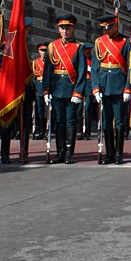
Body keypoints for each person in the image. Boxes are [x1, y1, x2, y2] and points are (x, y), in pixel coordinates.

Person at [42, 14, 86, 164]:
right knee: (59, 122)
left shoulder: (79, 47)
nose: (65, 31)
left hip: (71, 88)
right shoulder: (52, 46)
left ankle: (69, 153)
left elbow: (81, 71)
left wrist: (78, 91)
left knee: (70, 122)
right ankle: (59, 152)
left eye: (68, 27)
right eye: (62, 28)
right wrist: (46, 90)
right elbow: (47, 70)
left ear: (73, 28)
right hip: (56, 89)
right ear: (58, 29)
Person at [90, 14, 131, 165]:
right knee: (106, 122)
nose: (106, 31)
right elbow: (95, 67)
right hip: (104, 86)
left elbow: (130, 67)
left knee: (120, 122)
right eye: (104, 28)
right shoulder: (99, 42)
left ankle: (119, 153)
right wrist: (95, 88)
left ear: (116, 26)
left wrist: (128, 88)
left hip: (119, 86)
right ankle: (109, 153)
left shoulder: (125, 42)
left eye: (109, 27)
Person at [0, 17, 35, 164]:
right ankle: (4, 154)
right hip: (10, 90)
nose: (26, 32)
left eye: (27, 30)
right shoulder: (7, 45)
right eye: (25, 29)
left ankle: (23, 152)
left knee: (25, 125)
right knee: (7, 123)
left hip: (25, 90)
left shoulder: (26, 46)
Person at [32, 43, 48, 139]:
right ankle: (41, 131)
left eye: (45, 50)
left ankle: (46, 130)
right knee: (39, 112)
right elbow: (34, 77)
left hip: (47, 90)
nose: (44, 52)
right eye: (42, 50)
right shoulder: (35, 63)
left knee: (47, 112)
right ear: (39, 51)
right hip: (39, 90)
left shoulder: (50, 62)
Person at [79, 44, 94, 140]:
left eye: (89, 50)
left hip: (89, 84)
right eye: (86, 50)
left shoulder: (93, 59)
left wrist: (90, 70)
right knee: (79, 110)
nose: (88, 51)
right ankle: (80, 131)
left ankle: (87, 132)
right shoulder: (80, 59)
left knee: (87, 109)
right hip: (81, 84)